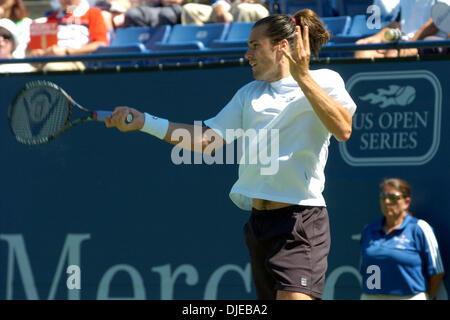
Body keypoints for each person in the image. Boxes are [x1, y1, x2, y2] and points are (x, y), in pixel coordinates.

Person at [105, 10, 356, 300]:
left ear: (282, 47)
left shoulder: (326, 80)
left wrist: (303, 78)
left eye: (254, 45)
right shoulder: (249, 94)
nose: (247, 53)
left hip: (300, 221)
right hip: (259, 225)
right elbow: (206, 140)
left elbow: (342, 129)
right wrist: (145, 121)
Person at [359, 178, 445, 300]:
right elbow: (363, 268)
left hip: (410, 297)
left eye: (393, 197)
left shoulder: (420, 228)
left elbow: (437, 272)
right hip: (371, 296)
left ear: (407, 202)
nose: (387, 201)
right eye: (383, 197)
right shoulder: (369, 230)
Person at [28, 0, 108, 71]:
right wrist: (37, 52)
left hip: (78, 62)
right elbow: (37, 47)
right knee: (22, 69)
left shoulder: (93, 13)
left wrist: (66, 52)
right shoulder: (52, 17)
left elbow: (100, 44)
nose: (64, 1)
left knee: (52, 68)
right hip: (49, 61)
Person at [354, 0, 448, 58]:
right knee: (363, 53)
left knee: (392, 54)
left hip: (431, 44)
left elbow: (438, 20)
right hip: (406, 43)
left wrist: (410, 45)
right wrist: (376, 38)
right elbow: (396, 24)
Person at [181, 0, 269, 25]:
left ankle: (241, 50)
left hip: (261, 6)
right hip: (230, 6)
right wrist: (219, 6)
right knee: (189, 9)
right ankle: (197, 55)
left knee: (243, 10)